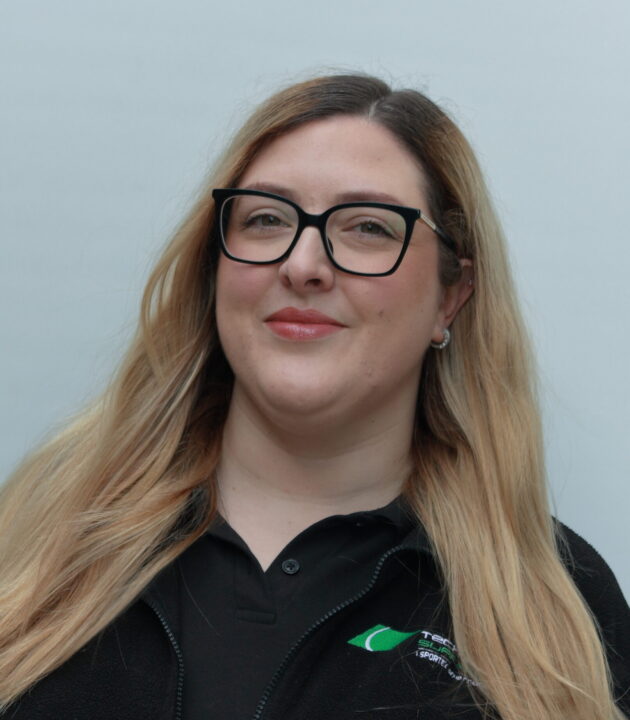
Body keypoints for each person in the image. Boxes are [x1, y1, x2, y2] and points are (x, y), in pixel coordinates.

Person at [0, 74, 627, 720]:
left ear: (450, 296)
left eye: (368, 228)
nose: (302, 265)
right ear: (214, 267)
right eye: (266, 219)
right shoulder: (38, 542)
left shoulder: (561, 610)